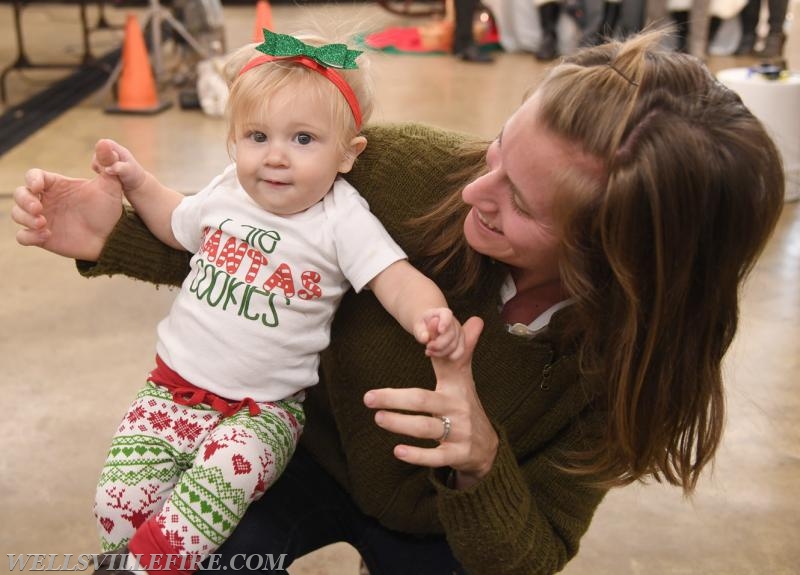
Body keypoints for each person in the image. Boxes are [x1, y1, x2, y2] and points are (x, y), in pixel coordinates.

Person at [13, 28, 785, 575]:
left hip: (442, 526)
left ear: (616, 264)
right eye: (497, 149)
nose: (474, 191)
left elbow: (533, 552)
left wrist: (481, 467)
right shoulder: (396, 171)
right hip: (296, 451)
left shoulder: (638, 359)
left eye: (518, 199)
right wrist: (113, 231)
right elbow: (259, 250)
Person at [18, 29, 467, 575]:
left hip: (261, 414)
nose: (275, 157)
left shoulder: (340, 219)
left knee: (211, 495)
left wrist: (431, 316)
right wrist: (137, 182)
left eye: (304, 140)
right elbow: (178, 222)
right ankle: (134, 556)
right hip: (171, 389)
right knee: (117, 505)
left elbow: (393, 278)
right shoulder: (228, 190)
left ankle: (146, 567)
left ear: (348, 155)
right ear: (234, 141)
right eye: (257, 136)